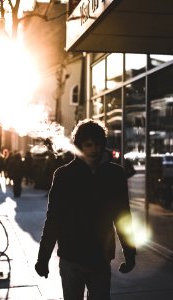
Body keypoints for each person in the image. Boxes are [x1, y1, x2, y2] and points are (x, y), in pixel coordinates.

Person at [35, 119, 136, 300]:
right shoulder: (64, 175)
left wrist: (129, 252)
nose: (94, 149)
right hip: (71, 257)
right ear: (79, 146)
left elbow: (123, 216)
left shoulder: (115, 174)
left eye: (97, 144)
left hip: (100, 257)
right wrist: (43, 258)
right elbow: (53, 219)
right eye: (88, 145)